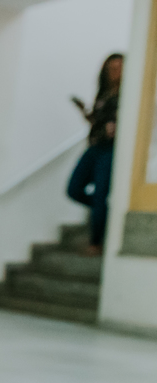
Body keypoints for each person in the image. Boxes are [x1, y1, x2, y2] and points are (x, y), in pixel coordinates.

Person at [68, 53, 124, 256]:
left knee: (100, 194)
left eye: (119, 68)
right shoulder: (104, 94)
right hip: (94, 146)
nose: (115, 72)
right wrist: (86, 113)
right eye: (112, 68)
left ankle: (96, 242)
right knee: (74, 189)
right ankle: (107, 213)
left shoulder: (127, 96)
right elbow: (98, 122)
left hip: (110, 149)